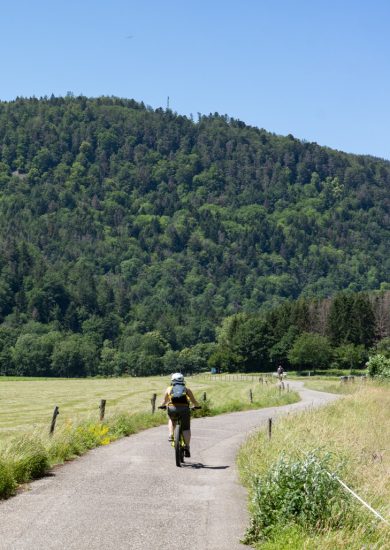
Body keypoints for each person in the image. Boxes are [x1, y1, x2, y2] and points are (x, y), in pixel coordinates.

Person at [160, 373, 199, 458]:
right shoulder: (186, 389)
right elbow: (194, 401)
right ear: (182, 380)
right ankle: (187, 447)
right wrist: (197, 406)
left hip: (172, 409)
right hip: (184, 409)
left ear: (172, 380)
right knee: (186, 428)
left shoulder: (169, 389)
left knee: (171, 419)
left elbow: (164, 401)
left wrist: (162, 405)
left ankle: (171, 435)